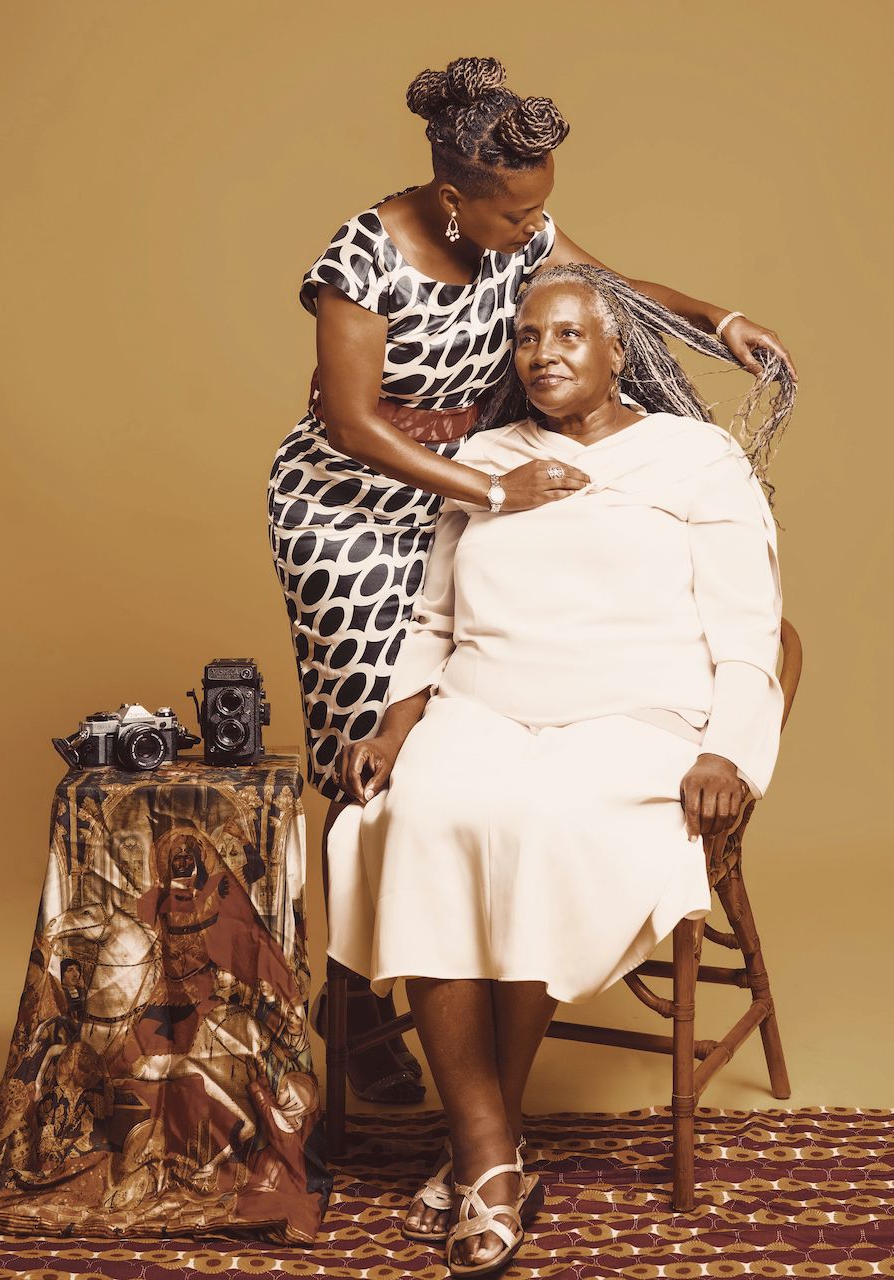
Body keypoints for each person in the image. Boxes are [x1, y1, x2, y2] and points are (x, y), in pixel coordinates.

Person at [268, 54, 796, 1104]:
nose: (532, 232)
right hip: (355, 502)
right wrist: (489, 487)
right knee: (370, 737)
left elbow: (604, 294)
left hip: (484, 478)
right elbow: (350, 418)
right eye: (514, 220)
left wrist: (715, 319)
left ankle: (458, 1023)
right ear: (458, 201)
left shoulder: (515, 224)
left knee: (453, 723)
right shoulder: (363, 255)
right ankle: (360, 1009)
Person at [327, 263, 792, 1275]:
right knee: (425, 815)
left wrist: (728, 749)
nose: (543, 356)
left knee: (534, 825)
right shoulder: (489, 459)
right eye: (528, 339)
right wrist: (396, 725)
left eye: (569, 337)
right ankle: (491, 1146)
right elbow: (435, 620)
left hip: (635, 714)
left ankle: (481, 1150)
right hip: (485, 703)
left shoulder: (695, 458)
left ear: (619, 350)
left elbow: (751, 629)